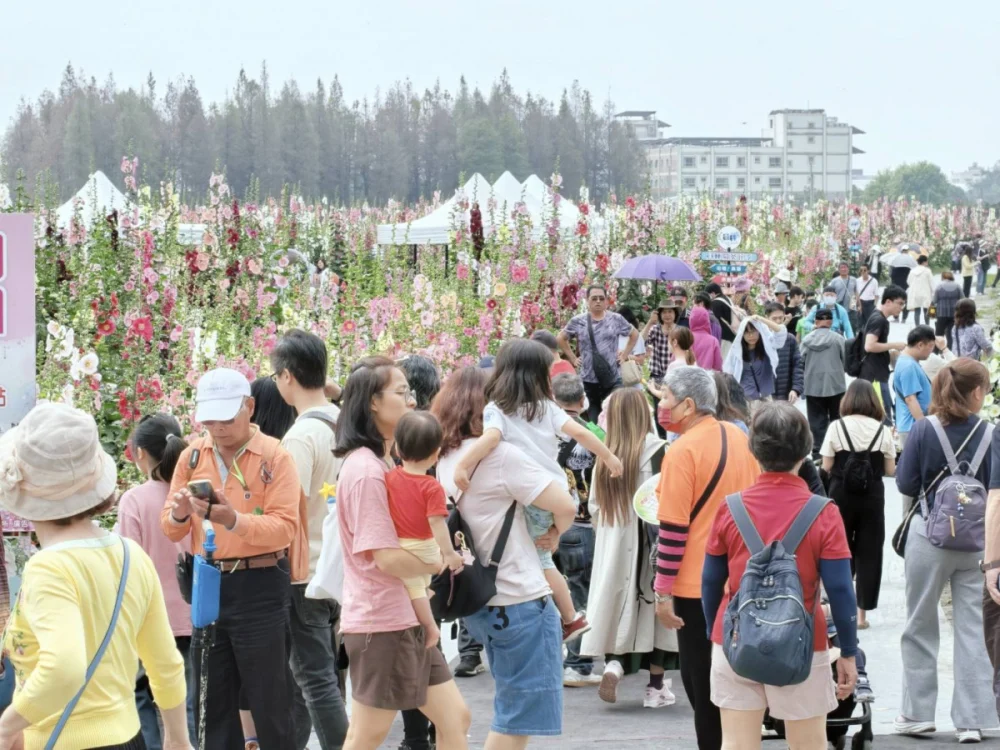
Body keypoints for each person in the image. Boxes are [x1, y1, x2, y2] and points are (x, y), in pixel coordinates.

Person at [0, 403, 190, 750]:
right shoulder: (131, 556)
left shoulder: (49, 567)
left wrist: (7, 726)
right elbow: (165, 664)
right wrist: (178, 739)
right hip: (128, 737)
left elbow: (64, 669)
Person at [163, 368, 306, 749]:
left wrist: (233, 520)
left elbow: (285, 528)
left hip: (261, 585)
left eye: (226, 419)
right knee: (211, 699)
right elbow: (170, 528)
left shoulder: (275, 456)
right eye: (209, 421)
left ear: (250, 407)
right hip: (208, 583)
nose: (218, 429)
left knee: (270, 699)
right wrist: (179, 513)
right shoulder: (193, 455)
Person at [702, 402, 858, 750]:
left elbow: (711, 580)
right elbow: (841, 589)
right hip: (802, 642)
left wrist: (714, 630)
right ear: (806, 451)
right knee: (808, 744)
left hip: (736, 637)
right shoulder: (823, 512)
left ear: (754, 449)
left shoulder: (730, 508)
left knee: (737, 744)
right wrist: (848, 651)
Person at [434, 368, 577, 748]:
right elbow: (565, 505)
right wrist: (555, 533)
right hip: (520, 599)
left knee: (511, 705)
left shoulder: (445, 458)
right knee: (516, 716)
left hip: (480, 601)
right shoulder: (501, 457)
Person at [333, 357, 470, 750]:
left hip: (401, 616)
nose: (411, 400)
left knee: (455, 719)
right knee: (366, 736)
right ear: (373, 403)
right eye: (401, 392)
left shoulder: (383, 463)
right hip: (383, 621)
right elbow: (387, 558)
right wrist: (437, 561)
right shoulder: (367, 471)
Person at [453, 339, 624, 642]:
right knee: (545, 548)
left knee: (543, 562)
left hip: (532, 493)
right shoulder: (547, 407)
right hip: (556, 489)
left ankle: (570, 618)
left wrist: (463, 464)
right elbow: (581, 431)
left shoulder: (497, 410)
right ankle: (564, 597)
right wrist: (609, 457)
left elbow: (490, 439)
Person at [654, 367, 761, 750]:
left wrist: (662, 592)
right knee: (735, 682)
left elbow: (673, 529)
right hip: (742, 577)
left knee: (702, 684)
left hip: (695, 586)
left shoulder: (682, 451)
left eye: (666, 397)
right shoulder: (740, 438)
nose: (661, 405)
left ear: (687, 405)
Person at [895, 359, 997, 743]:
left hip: (929, 536)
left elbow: (905, 483)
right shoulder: (991, 433)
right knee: (973, 628)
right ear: (976, 392)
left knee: (920, 623)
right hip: (976, 543)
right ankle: (972, 720)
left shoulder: (924, 429)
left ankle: (917, 714)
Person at [271, 329, 354, 750]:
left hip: (305, 573)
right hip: (340, 569)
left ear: (287, 376)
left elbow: (287, 511)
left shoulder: (301, 437)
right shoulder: (345, 423)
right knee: (316, 677)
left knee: (314, 679)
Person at [581, 389, 679, 708]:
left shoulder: (605, 456)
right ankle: (655, 688)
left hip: (614, 544)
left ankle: (614, 664)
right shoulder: (660, 452)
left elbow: (595, 507)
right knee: (656, 614)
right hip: (653, 544)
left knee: (618, 607)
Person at [118, 414, 197, 749]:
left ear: (140, 453)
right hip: (191, 615)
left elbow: (128, 565)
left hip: (147, 618)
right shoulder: (194, 496)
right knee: (185, 700)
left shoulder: (134, 500)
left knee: (140, 695)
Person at [820, 380, 897, 630]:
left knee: (839, 549)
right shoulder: (883, 430)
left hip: (840, 495)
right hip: (872, 496)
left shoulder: (836, 426)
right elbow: (890, 470)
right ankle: (861, 616)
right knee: (870, 552)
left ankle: (839, 609)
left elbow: (827, 465)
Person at [386, 412, 463, 650]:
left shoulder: (390, 477)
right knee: (419, 588)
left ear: (397, 449)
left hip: (400, 544)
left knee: (416, 588)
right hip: (424, 546)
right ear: (436, 454)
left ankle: (423, 621)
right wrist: (449, 553)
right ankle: (430, 627)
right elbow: (437, 524)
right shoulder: (431, 487)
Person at [550, 373, 600, 686]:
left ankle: (552, 658)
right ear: (583, 401)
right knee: (581, 592)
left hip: (546, 525)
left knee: (549, 593)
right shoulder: (594, 434)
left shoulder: (542, 433)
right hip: (582, 524)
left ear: (553, 401)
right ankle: (578, 664)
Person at [557, 284, 638, 422]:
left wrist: (624, 355)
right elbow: (561, 338)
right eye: (594, 298)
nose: (598, 301)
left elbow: (634, 334)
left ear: (606, 300)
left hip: (612, 377)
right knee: (593, 421)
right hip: (589, 379)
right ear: (587, 300)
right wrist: (573, 358)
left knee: (614, 418)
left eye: (601, 298)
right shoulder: (578, 321)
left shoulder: (616, 319)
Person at [801, 307, 847, 455]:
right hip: (836, 384)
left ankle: (817, 451)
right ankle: (838, 449)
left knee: (816, 420)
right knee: (837, 418)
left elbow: (800, 361)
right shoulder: (838, 339)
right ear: (831, 322)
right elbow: (845, 360)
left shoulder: (806, 340)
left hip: (813, 385)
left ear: (816, 321)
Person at [859, 286, 907, 421]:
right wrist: (894, 345)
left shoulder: (877, 316)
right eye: (900, 303)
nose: (901, 308)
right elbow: (869, 346)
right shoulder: (879, 320)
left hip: (875, 372)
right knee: (882, 417)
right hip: (875, 375)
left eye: (903, 304)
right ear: (888, 302)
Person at [723, 315, 788, 408]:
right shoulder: (736, 352)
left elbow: (780, 332)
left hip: (766, 399)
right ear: (742, 334)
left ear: (759, 331)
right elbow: (728, 373)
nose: (751, 336)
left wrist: (761, 319)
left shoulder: (767, 347)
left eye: (753, 331)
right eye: (747, 332)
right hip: (746, 401)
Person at [894, 326, 937, 452]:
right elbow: (910, 399)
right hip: (913, 428)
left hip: (913, 427)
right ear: (920, 345)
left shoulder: (908, 362)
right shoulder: (908, 366)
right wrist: (924, 427)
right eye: (931, 346)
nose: (931, 351)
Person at [765, 302, 803, 404]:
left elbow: (798, 365)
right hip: (766, 394)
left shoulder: (790, 339)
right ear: (767, 318)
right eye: (774, 318)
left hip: (786, 393)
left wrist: (796, 389)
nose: (778, 321)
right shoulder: (761, 338)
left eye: (780, 318)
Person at [642, 302, 679, 385]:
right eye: (664, 312)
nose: (667, 315)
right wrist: (650, 322)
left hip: (675, 374)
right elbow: (642, 341)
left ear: (675, 314)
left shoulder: (680, 330)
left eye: (670, 312)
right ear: (660, 315)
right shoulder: (655, 329)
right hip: (656, 374)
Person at [706, 282, 740, 357]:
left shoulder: (715, 303)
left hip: (723, 336)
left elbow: (714, 321)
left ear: (713, 293)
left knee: (723, 359)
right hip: (732, 333)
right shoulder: (727, 298)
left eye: (708, 294)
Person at [933, 271, 963, 349]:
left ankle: (936, 351)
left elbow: (934, 300)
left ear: (943, 277)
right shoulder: (957, 286)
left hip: (941, 313)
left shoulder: (939, 286)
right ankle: (950, 350)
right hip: (954, 313)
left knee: (939, 333)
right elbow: (963, 299)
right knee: (951, 334)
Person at [689, 306, 722, 371]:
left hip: (688, 375)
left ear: (691, 320)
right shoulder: (713, 341)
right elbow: (718, 366)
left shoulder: (686, 338)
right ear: (707, 320)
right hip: (707, 376)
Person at [906, 255, 934, 326]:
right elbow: (931, 283)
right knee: (926, 311)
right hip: (925, 293)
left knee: (917, 311)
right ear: (924, 262)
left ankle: (917, 327)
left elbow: (908, 281)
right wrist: (933, 292)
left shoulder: (912, 271)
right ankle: (927, 326)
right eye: (926, 261)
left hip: (915, 293)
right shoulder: (927, 271)